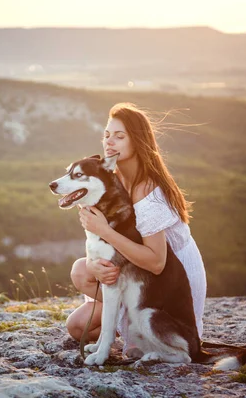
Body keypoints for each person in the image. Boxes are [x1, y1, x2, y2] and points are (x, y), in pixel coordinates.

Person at [65, 102, 207, 356]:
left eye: (119, 136)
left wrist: (105, 231)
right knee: (78, 316)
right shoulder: (112, 176)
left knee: (83, 299)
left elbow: (156, 263)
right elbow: (106, 241)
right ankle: (128, 330)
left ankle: (151, 334)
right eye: (107, 135)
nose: (110, 142)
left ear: (138, 141)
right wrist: (97, 264)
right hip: (132, 264)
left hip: (167, 279)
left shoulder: (147, 188)